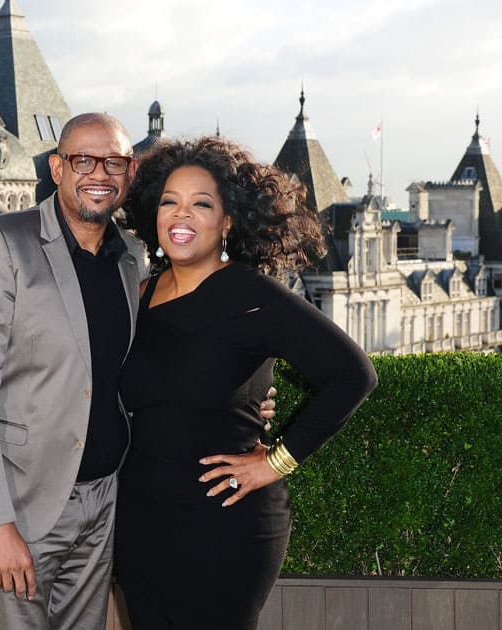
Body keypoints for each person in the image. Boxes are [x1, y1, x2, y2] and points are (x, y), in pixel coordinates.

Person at [115, 136, 378, 629]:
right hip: (142, 522)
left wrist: (275, 462)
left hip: (224, 523)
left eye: (201, 204)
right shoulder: (141, 293)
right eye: (170, 202)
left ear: (228, 221)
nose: (181, 215)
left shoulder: (251, 294)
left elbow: (353, 374)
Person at [0, 113, 144, 629]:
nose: (99, 172)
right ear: (57, 168)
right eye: (83, 160)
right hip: (22, 504)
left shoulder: (130, 260)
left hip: (102, 499)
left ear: (130, 171)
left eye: (114, 161)